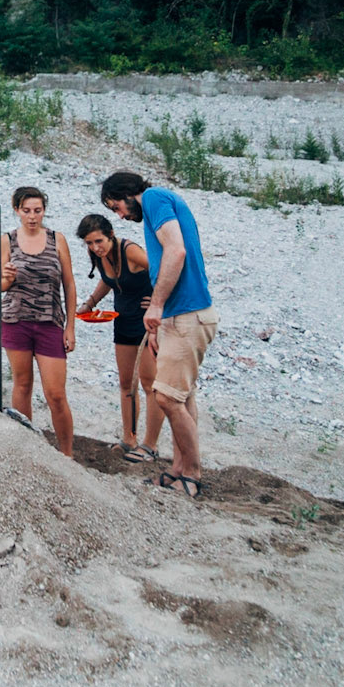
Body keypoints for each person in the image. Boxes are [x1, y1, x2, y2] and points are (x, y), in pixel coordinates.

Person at [101, 170, 217, 498]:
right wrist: (161, 319)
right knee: (182, 396)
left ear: (127, 193)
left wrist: (157, 305)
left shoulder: (153, 198)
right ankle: (178, 469)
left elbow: (176, 250)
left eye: (117, 207)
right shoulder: (159, 204)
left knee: (165, 397)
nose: (121, 216)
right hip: (177, 316)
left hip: (187, 314)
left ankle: (192, 474)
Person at [76, 211, 160, 463]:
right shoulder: (99, 256)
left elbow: (164, 269)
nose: (95, 247)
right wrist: (90, 303)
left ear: (110, 235)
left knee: (149, 384)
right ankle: (129, 438)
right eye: (89, 243)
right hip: (122, 319)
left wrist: (159, 301)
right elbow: (108, 280)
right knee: (126, 382)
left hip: (147, 321)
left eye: (99, 241)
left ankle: (150, 445)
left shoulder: (130, 251)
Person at [1, 186, 76, 454]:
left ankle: (67, 453)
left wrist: (70, 327)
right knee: (22, 384)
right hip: (15, 319)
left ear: (44, 210)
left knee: (55, 393)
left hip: (50, 321)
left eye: (37, 211)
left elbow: (69, 283)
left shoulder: (58, 239)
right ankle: (26, 449)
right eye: (26, 211)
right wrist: (7, 278)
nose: (32, 217)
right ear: (16, 210)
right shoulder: (7, 240)